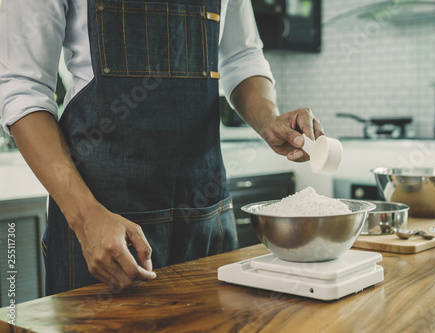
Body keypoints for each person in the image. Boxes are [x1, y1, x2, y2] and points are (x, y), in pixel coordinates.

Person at [0, 0, 324, 295]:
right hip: (104, 224)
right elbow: (23, 87)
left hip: (206, 215)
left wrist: (268, 119)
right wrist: (85, 217)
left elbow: (241, 55)